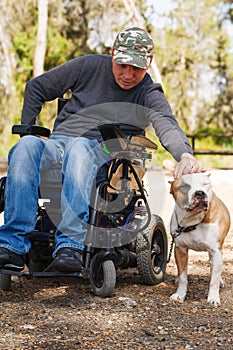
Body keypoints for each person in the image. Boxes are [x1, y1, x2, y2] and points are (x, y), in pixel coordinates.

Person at [0, 27, 202, 272]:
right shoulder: (89, 66)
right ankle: (12, 246)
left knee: (79, 145)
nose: (128, 74)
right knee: (25, 146)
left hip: (104, 157)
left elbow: (166, 124)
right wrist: (29, 129)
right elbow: (36, 87)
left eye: (136, 68)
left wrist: (184, 154)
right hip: (59, 145)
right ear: (113, 53)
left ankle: (71, 244)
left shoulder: (148, 92)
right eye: (122, 65)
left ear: (149, 63)